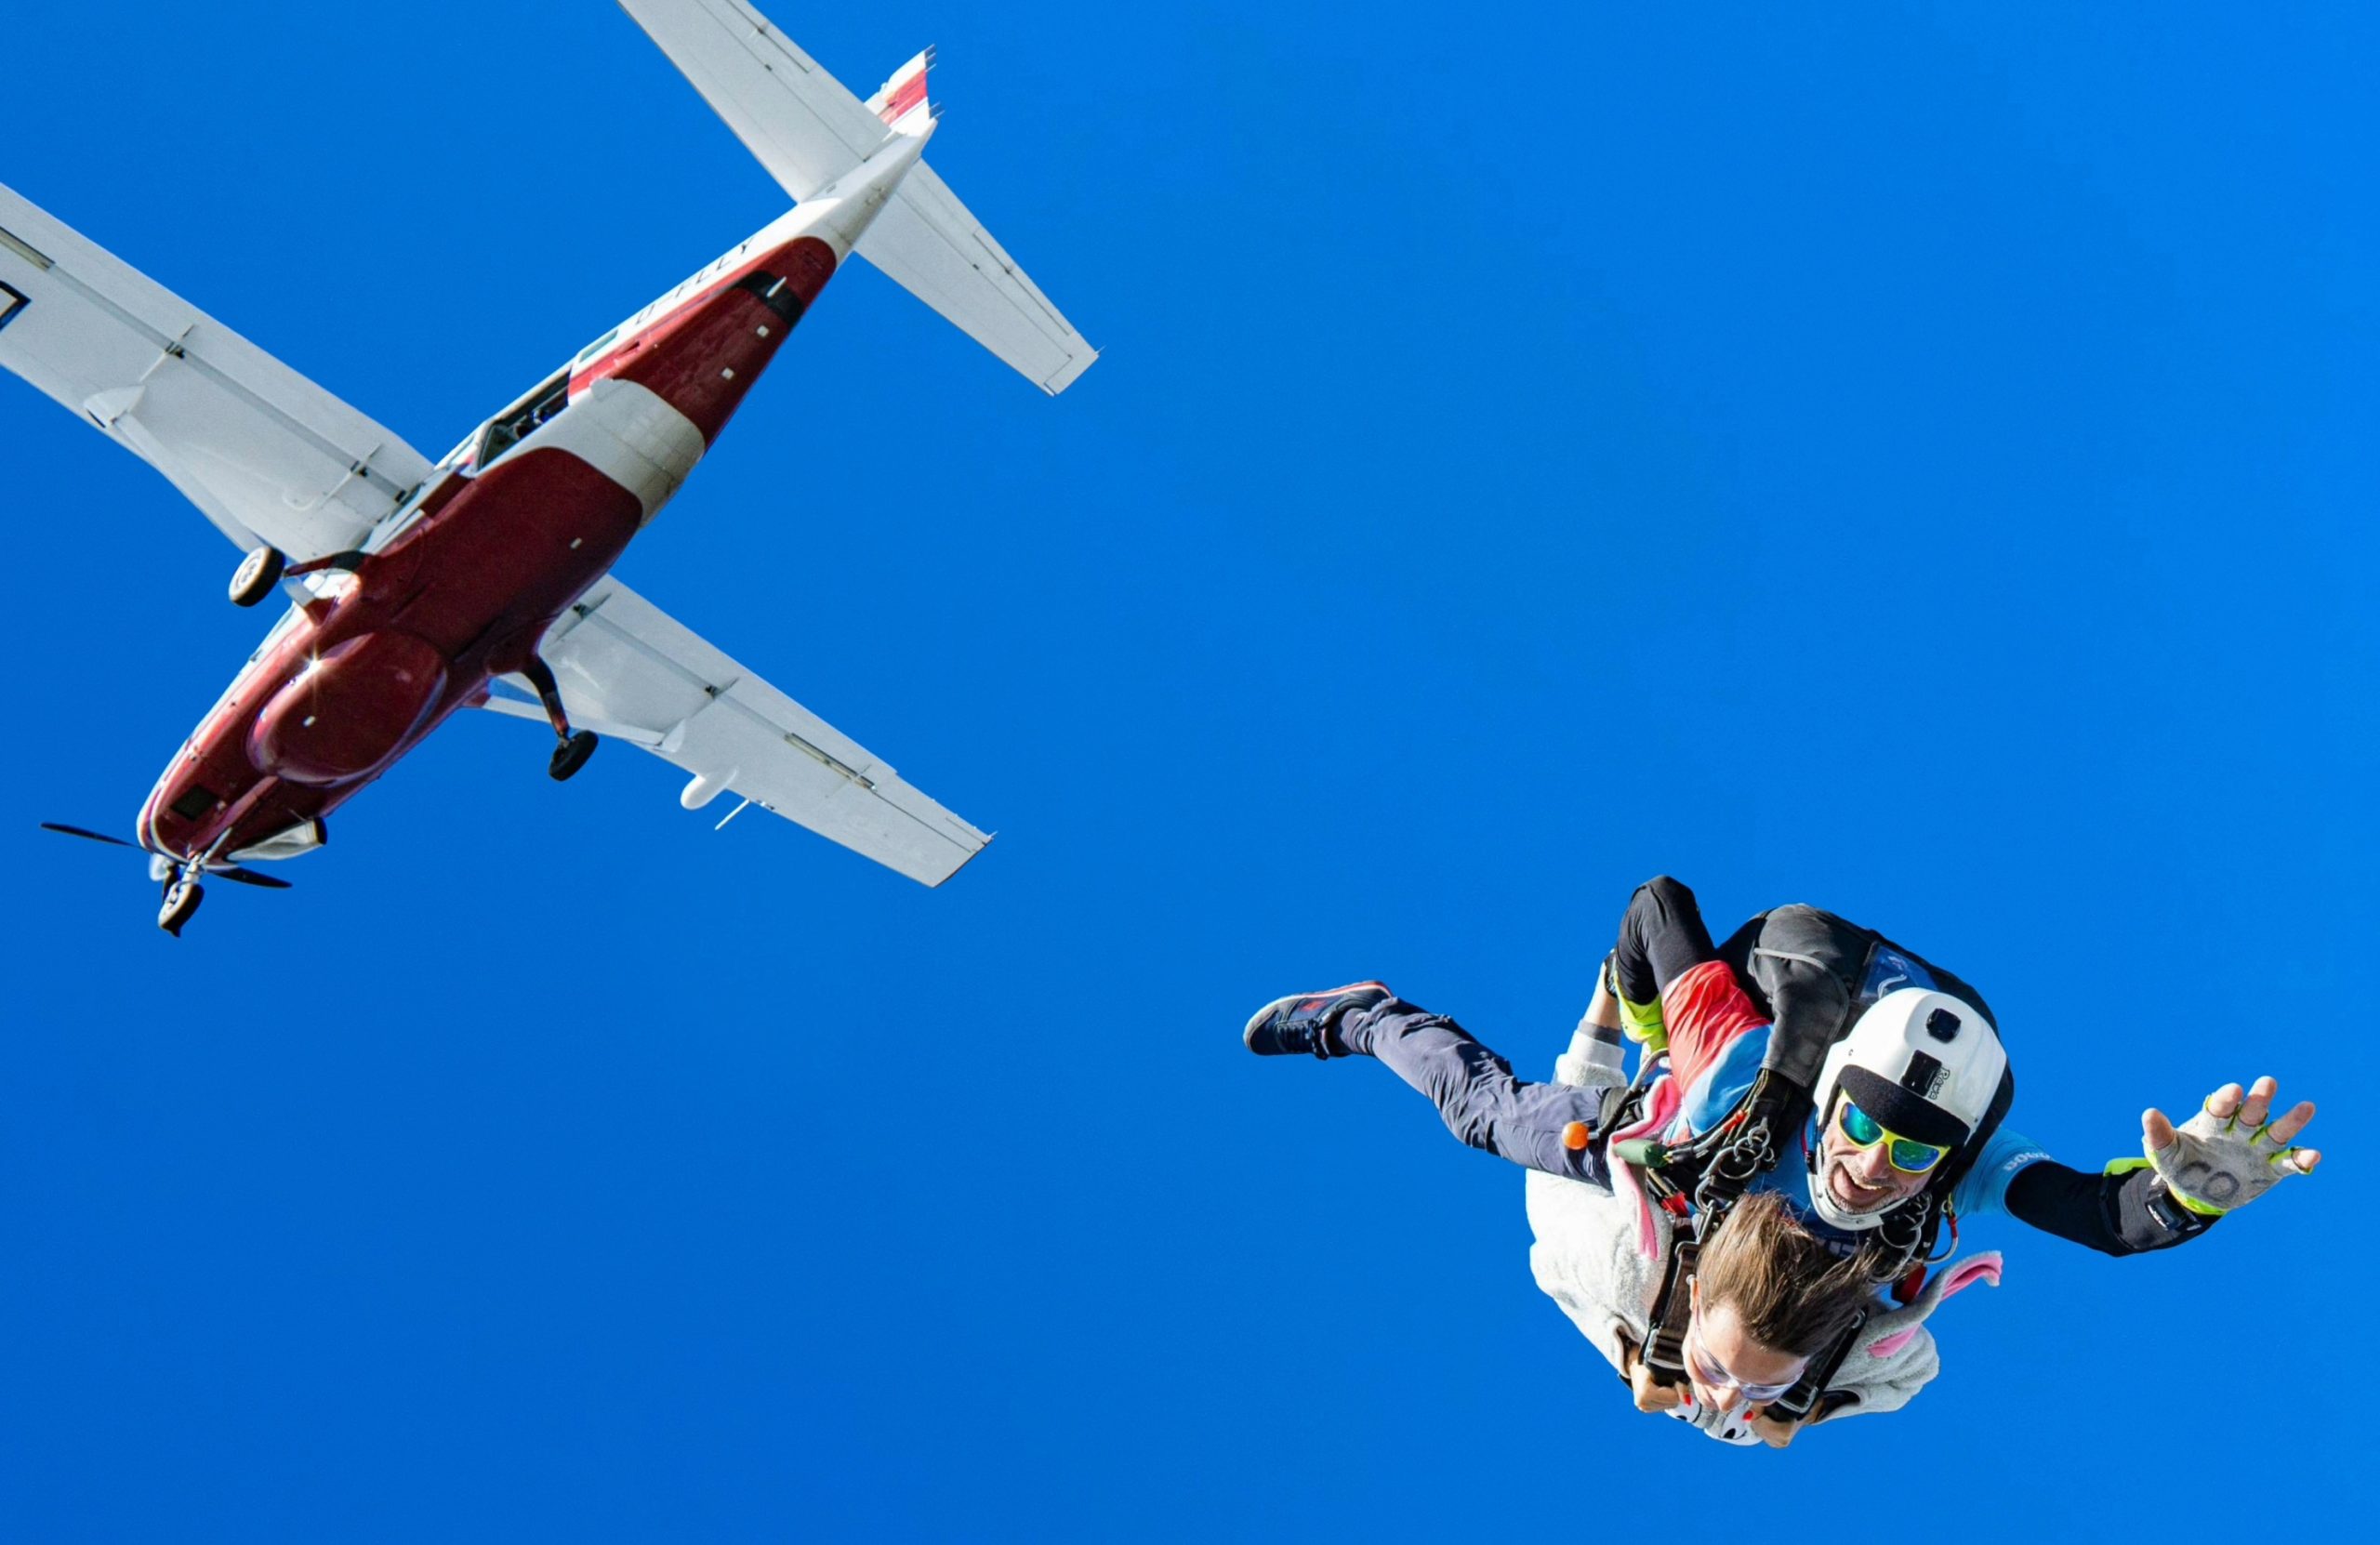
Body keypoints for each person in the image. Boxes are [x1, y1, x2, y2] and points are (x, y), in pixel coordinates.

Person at [1241, 878, 2323, 1439]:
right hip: (1753, 1019)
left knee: (1746, 1388)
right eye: (1859, 1129)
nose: (1873, 1166)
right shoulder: (1719, 1090)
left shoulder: (1965, 1158)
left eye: (1913, 1151)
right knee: (1490, 1119)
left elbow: (2097, 1217)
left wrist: (2184, 1196)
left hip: (1848, 1065)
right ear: (1831, 1097)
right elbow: (1655, 903)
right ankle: (1368, 1014)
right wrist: (1646, 1022)